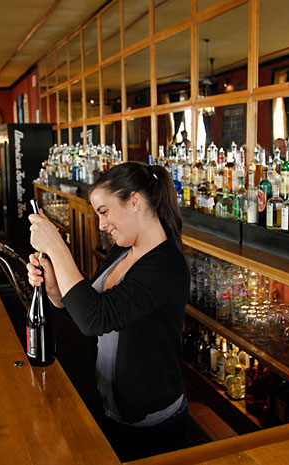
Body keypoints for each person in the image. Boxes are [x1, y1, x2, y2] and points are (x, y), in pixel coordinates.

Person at [27, 162, 189, 461]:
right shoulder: (123, 250)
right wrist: (55, 290)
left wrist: (57, 247)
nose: (101, 225)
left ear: (134, 201)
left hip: (151, 424)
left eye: (104, 211)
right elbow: (89, 309)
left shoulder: (165, 266)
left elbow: (94, 319)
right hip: (111, 408)